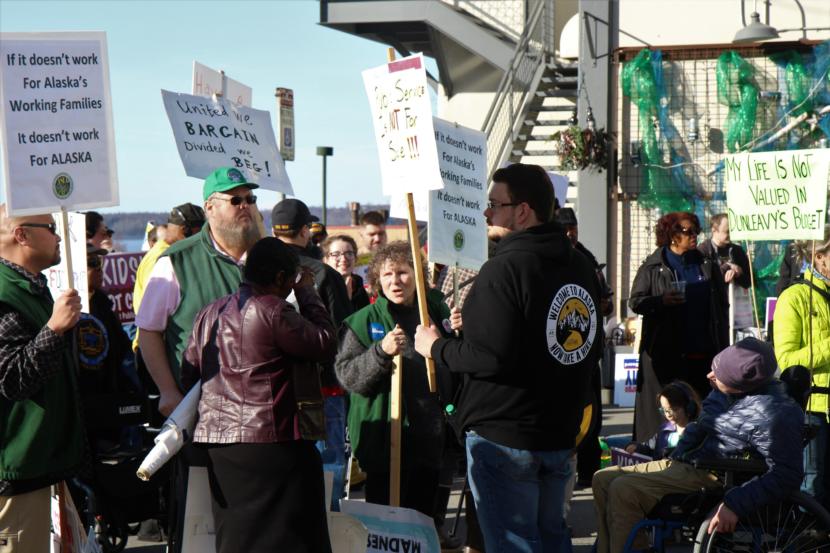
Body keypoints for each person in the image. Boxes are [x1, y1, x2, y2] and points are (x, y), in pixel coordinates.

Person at [414, 163, 602, 552]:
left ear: (522, 211)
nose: (486, 213)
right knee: (552, 541)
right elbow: (581, 345)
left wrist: (436, 346)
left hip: (507, 436)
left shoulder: (505, 269)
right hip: (558, 431)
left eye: (495, 205)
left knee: (517, 545)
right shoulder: (580, 264)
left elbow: (490, 358)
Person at [181, 238, 335, 553]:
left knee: (236, 539)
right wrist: (307, 292)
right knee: (293, 538)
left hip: (218, 445)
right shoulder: (274, 309)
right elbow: (324, 342)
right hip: (273, 439)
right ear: (280, 278)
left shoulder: (209, 312)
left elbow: (189, 373)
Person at [592, 337, 803, 553]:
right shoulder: (725, 392)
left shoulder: (775, 416)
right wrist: (676, 454)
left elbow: (787, 473)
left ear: (739, 385)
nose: (709, 375)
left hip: (715, 475)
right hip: (688, 461)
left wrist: (734, 504)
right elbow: (699, 428)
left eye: (718, 374)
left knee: (623, 489)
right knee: (602, 479)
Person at [336, 241, 453, 518]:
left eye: (402, 272)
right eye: (387, 275)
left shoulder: (435, 313)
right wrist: (380, 352)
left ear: (417, 276)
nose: (395, 281)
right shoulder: (362, 322)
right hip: (384, 445)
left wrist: (456, 332)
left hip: (429, 439)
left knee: (423, 524)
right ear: (377, 280)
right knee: (386, 528)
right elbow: (348, 377)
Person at [137, 167, 261, 417]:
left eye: (250, 199)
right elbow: (149, 331)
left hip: (261, 406)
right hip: (201, 408)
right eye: (235, 200)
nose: (245, 205)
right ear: (210, 208)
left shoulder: (267, 256)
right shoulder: (176, 261)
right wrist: (168, 390)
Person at [0, 205, 84, 552]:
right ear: (22, 235)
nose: (60, 235)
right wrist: (54, 328)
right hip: (18, 468)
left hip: (43, 461)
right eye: (50, 227)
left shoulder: (30, 287)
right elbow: (13, 379)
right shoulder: (5, 295)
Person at [272, 198, 352, 510]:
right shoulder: (322, 273)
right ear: (305, 231)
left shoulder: (259, 271)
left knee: (284, 471)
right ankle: (327, 534)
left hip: (274, 387)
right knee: (327, 468)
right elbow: (343, 333)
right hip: (322, 388)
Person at [629, 211, 728, 442]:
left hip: (702, 355)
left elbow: (721, 309)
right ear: (672, 235)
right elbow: (635, 301)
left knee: (700, 416)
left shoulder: (705, 264)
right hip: (666, 357)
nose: (694, 236)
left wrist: (722, 349)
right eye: (688, 231)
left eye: (696, 230)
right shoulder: (654, 265)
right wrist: (660, 301)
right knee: (666, 417)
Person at [556, 207, 613, 487]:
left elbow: (608, 300)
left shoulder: (587, 258)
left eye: (573, 229)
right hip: (563, 350)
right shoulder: (551, 258)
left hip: (590, 349)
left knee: (592, 414)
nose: (570, 235)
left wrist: (605, 305)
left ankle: (589, 471)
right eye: (565, 230)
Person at [773, 226, 830, 508]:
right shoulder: (793, 298)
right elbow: (787, 361)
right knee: (813, 487)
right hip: (813, 410)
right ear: (820, 257)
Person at [132, 203, 205, 354]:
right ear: (186, 230)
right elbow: (153, 315)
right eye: (200, 232)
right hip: (155, 348)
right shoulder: (166, 260)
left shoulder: (160, 252)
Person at [622, 380, 701, 459]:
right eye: (664, 410)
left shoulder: (696, 431)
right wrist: (636, 447)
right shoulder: (664, 430)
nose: (668, 414)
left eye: (674, 409)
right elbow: (649, 449)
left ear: (689, 407)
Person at [699, 213, 751, 289]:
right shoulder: (703, 251)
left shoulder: (737, 251)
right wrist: (728, 267)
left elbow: (749, 282)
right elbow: (707, 280)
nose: (730, 235)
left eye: (732, 231)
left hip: (735, 298)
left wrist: (739, 273)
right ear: (714, 230)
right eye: (727, 231)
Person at [321, 234, 370, 312]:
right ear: (325, 260)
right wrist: (345, 300)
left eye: (349, 253)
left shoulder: (358, 286)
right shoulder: (320, 289)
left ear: (356, 258)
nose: (343, 259)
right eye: (336, 254)